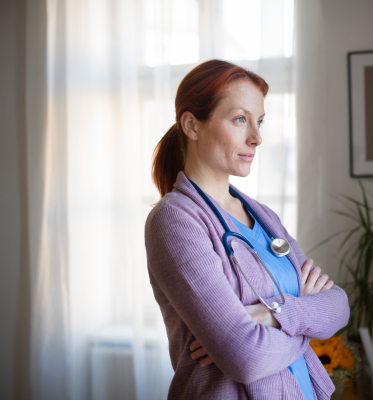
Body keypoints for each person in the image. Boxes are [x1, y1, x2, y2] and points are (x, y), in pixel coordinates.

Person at [145, 59, 350, 399]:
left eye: (259, 122)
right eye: (240, 119)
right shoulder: (176, 220)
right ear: (192, 125)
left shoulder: (262, 216)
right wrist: (306, 323)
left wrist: (271, 314)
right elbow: (246, 358)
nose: (256, 138)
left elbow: (339, 305)